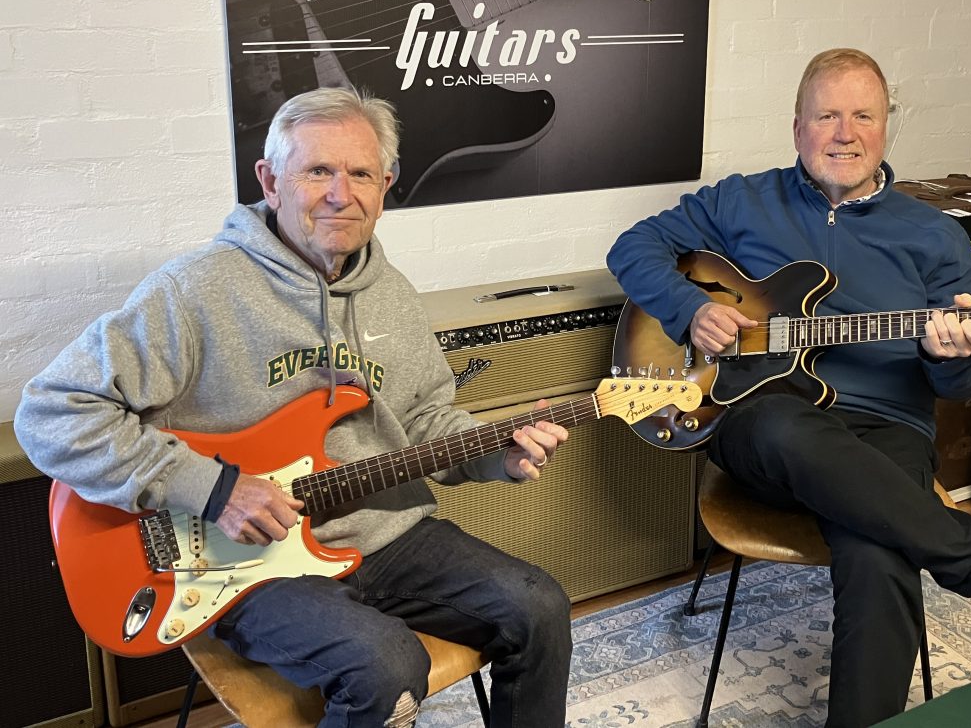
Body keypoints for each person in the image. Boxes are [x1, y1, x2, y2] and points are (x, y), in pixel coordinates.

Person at [15, 87, 572, 727]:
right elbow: (51, 413)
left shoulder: (393, 295)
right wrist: (215, 487)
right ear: (270, 180)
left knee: (539, 606)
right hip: (244, 558)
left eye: (361, 172)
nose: (342, 193)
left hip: (387, 534)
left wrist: (492, 454)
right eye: (318, 170)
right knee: (385, 666)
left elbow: (423, 419)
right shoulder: (195, 290)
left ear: (386, 185)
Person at [607, 48, 971, 727]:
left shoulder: (935, 237)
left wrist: (953, 355)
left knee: (880, 558)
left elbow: (966, 380)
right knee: (783, 425)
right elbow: (633, 247)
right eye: (826, 115)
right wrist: (689, 309)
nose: (844, 133)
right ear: (798, 129)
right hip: (762, 421)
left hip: (887, 432)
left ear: (885, 128)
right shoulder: (740, 201)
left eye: (863, 116)